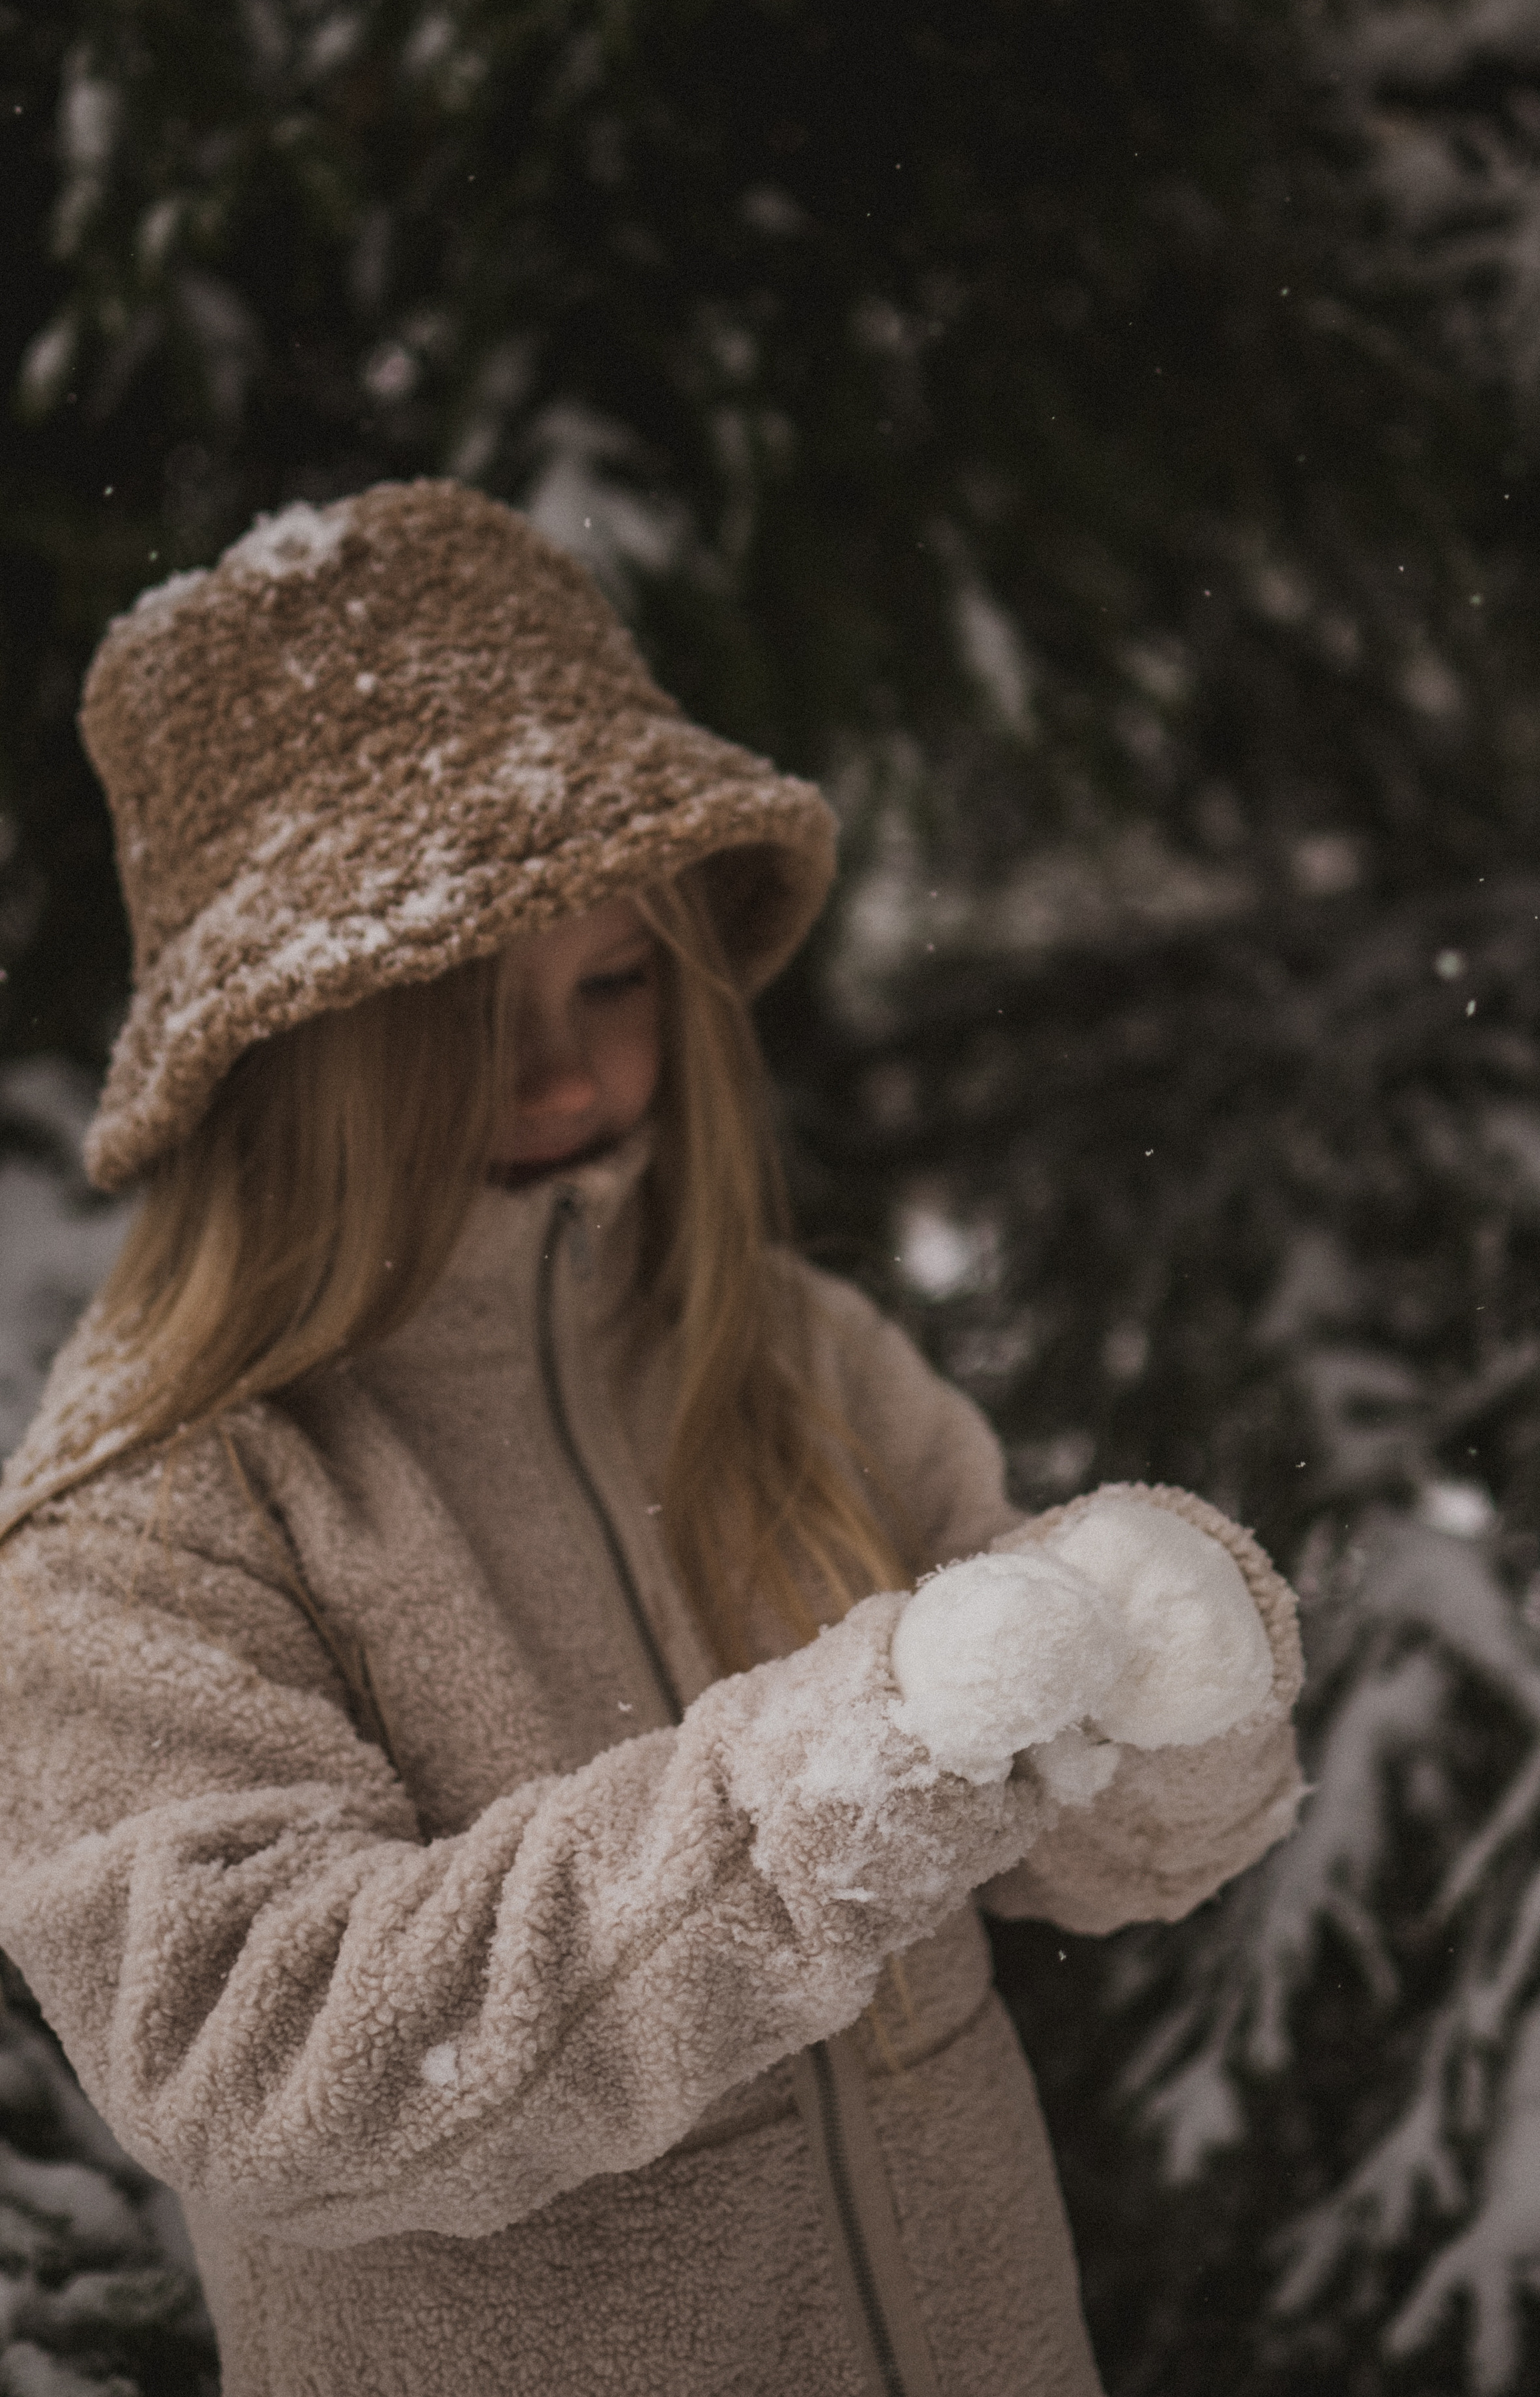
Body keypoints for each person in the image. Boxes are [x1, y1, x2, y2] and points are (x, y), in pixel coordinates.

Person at [0, 481, 1304, 2397]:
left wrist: (1169, 1705)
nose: (567, 1069)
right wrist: (854, 1769)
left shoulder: (782, 1348)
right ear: (287, 1051)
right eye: (461, 1012)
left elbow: (1079, 1847)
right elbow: (274, 2067)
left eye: (618, 978)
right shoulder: (151, 1520)